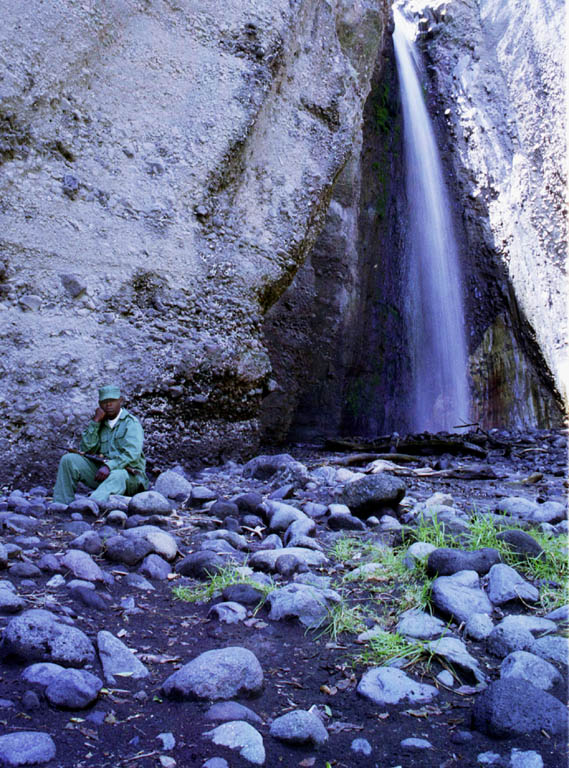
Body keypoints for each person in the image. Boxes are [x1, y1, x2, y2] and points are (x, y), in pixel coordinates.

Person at [53, 384, 149, 505]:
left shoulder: (131, 423)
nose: (108, 405)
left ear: (120, 401)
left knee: (118, 474)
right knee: (68, 459)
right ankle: (61, 504)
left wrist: (109, 466)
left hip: (130, 478)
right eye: (104, 402)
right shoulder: (100, 423)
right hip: (104, 475)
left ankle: (90, 506)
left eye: (112, 401)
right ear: (99, 404)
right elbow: (86, 449)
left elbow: (132, 454)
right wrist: (95, 422)